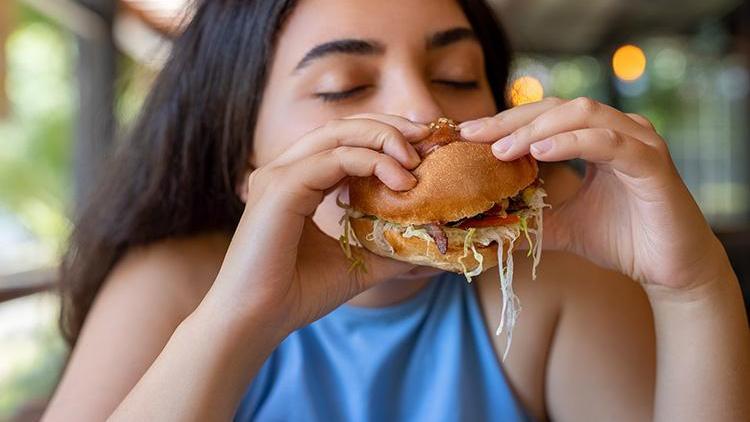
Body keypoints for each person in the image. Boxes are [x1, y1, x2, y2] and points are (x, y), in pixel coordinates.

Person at [43, 0, 750, 420]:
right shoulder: (175, 285)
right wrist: (238, 323)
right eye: (342, 85)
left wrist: (692, 289)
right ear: (242, 160)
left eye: (458, 77)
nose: (423, 110)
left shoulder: (538, 280)